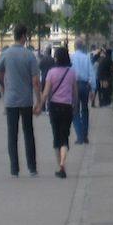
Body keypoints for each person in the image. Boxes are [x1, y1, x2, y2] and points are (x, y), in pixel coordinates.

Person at [0, 25, 41, 177]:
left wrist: (5, 84)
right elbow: (35, 81)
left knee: (12, 134)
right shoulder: (29, 55)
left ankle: (14, 169)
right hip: (26, 99)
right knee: (28, 133)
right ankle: (32, 167)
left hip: (11, 99)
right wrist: (39, 100)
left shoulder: (6, 54)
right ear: (23, 36)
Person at [38, 45, 78, 178]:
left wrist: (39, 106)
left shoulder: (51, 72)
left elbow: (45, 93)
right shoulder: (71, 72)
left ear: (56, 58)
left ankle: (60, 166)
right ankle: (62, 162)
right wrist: (75, 106)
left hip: (54, 107)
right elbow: (75, 93)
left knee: (56, 137)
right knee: (65, 137)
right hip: (67, 107)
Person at [69, 41, 96, 144]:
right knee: (85, 110)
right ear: (83, 47)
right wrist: (93, 89)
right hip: (85, 85)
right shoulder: (87, 57)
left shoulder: (72, 57)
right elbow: (92, 74)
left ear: (75, 46)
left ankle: (79, 135)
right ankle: (85, 135)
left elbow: (69, 71)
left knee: (75, 110)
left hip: (74, 85)